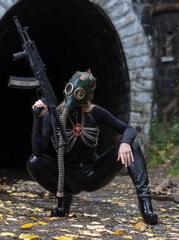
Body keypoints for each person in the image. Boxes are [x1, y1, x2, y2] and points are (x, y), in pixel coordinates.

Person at [27, 70, 158, 225]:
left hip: (94, 173)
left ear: (87, 95)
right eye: (71, 89)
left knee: (132, 144)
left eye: (79, 91)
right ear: (66, 89)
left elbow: (129, 129)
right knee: (34, 161)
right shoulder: (53, 115)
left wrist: (124, 143)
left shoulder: (95, 112)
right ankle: (63, 199)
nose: (74, 93)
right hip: (69, 178)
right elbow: (39, 150)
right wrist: (37, 118)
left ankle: (145, 204)